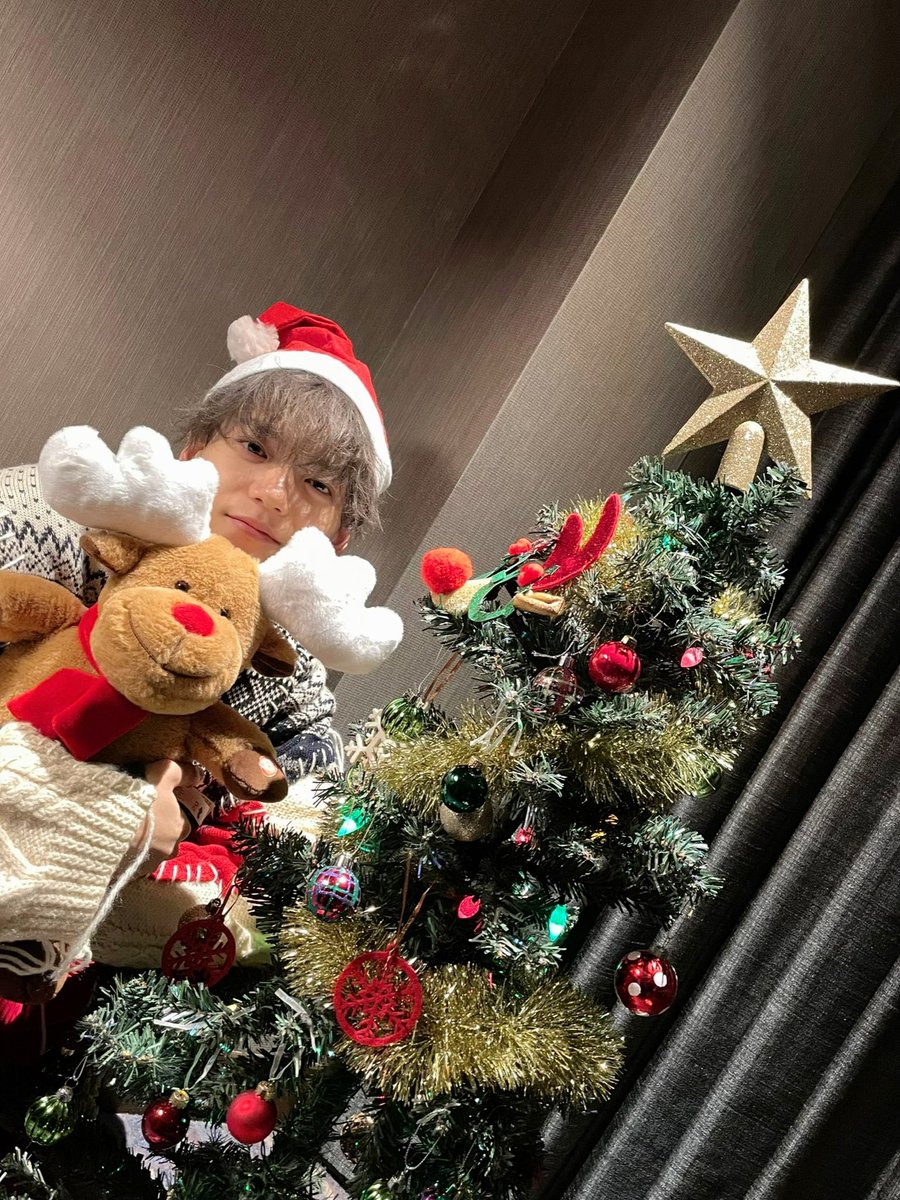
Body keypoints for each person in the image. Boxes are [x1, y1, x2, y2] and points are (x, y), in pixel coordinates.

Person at [0, 302, 395, 999]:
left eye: (319, 484)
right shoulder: (54, 518)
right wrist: (115, 808)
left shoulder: (285, 666)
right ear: (192, 450)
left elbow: (312, 804)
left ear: (338, 537)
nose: (275, 494)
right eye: (256, 447)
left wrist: (189, 814)